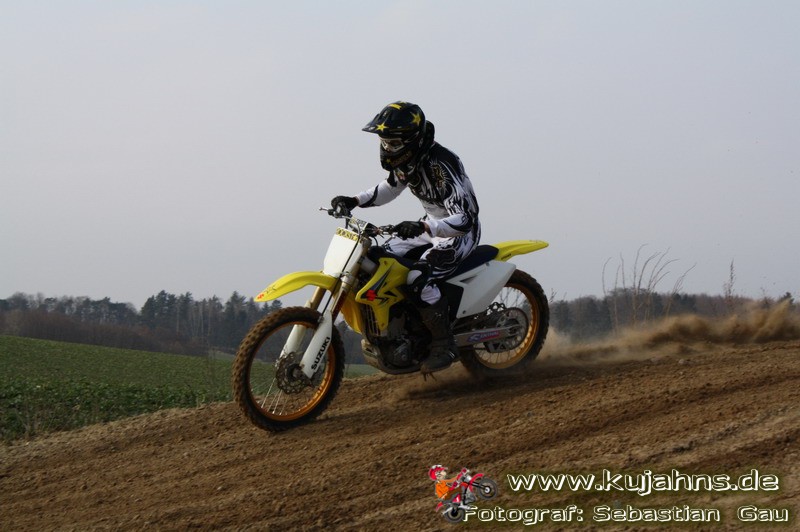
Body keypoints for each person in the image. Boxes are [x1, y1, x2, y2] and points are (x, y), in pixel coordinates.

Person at [331, 101, 480, 373]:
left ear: (412, 140)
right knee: (378, 260)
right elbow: (390, 188)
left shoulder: (442, 165)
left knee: (417, 278)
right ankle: (399, 332)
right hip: (429, 227)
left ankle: (444, 344)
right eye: (384, 142)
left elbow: (466, 218)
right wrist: (354, 200)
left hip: (458, 233)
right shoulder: (409, 161)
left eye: (393, 143)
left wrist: (425, 227)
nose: (387, 148)